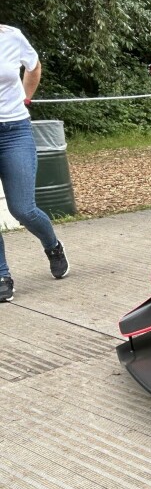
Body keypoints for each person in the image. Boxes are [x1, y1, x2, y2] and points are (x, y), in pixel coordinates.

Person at [0, 25, 69, 302]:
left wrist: (26, 98)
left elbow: (34, 65)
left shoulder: (11, 36)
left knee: (23, 209)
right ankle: (2, 274)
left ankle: (52, 246)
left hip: (15, 131)